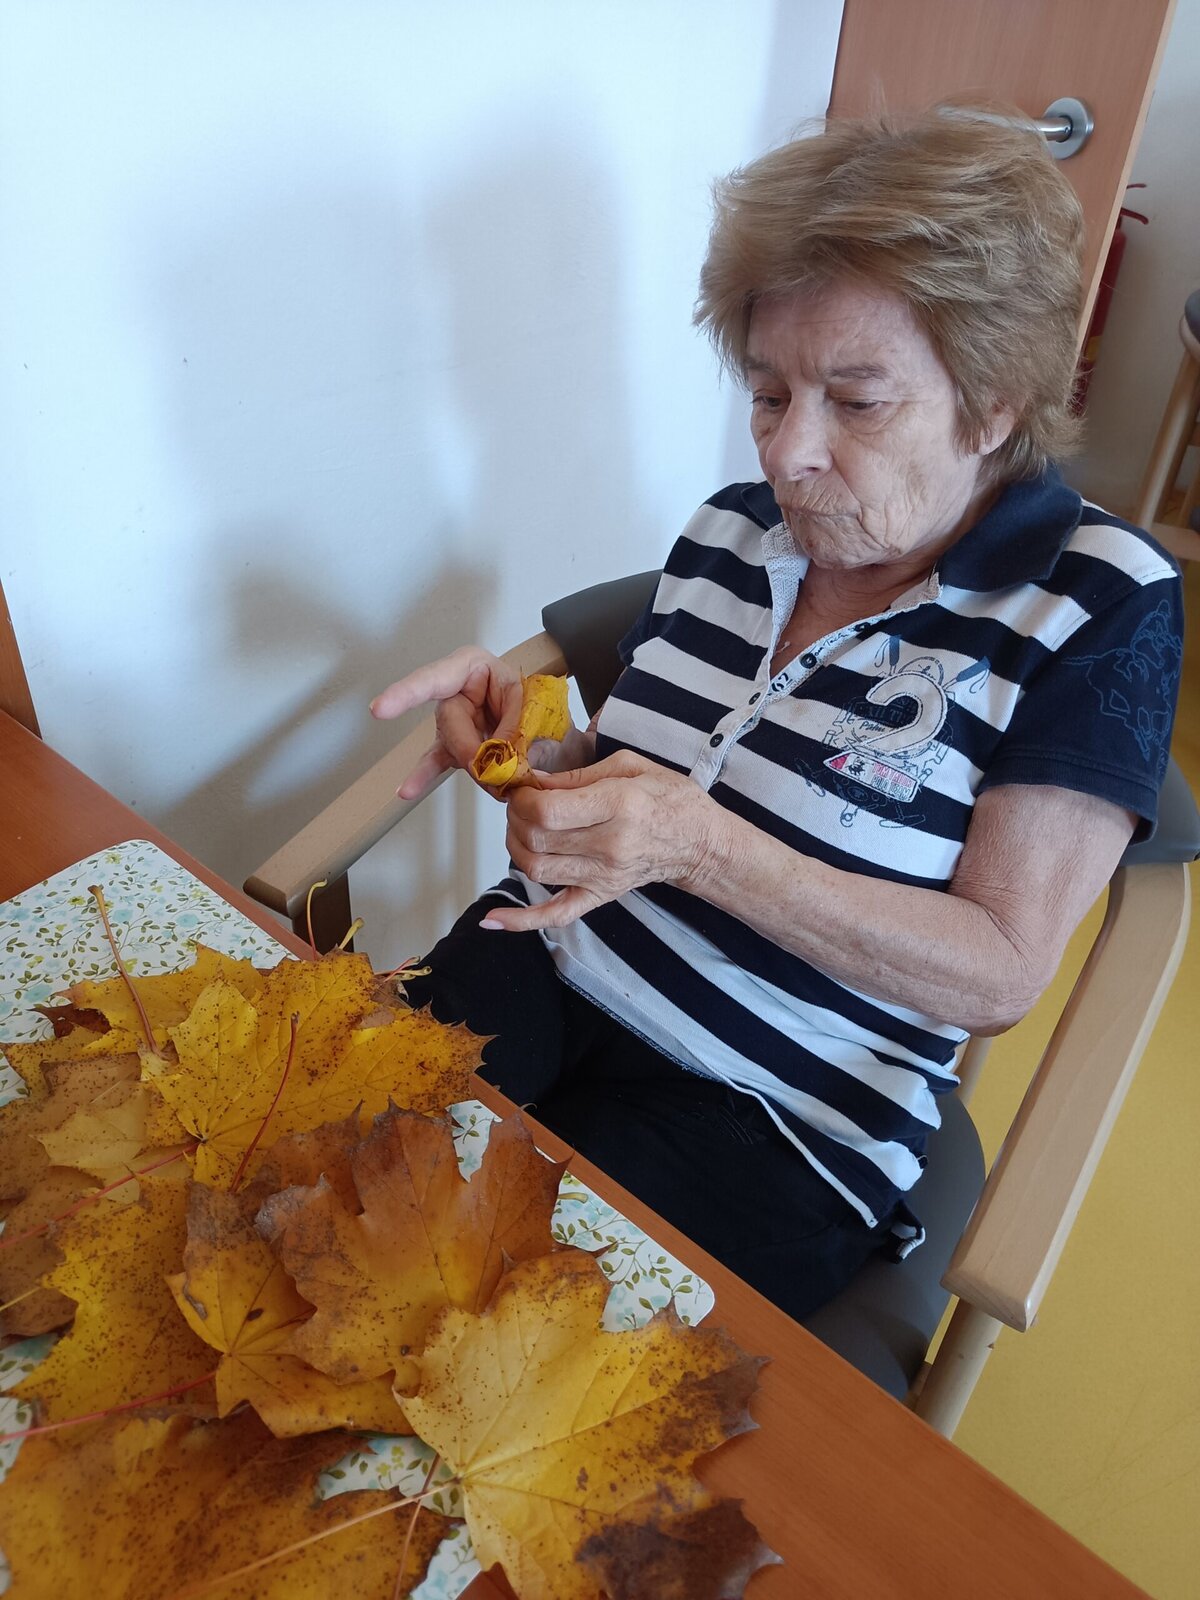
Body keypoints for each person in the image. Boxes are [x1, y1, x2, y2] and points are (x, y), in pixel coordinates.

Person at [370, 109, 1184, 1321]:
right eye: (768, 393)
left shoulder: (1099, 600)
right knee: (300, 1186)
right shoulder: (731, 528)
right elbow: (643, 780)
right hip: (545, 958)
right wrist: (539, 753)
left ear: (993, 404)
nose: (788, 453)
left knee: (487, 1351)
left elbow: (1000, 969)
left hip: (777, 1109)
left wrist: (703, 849)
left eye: (856, 402)